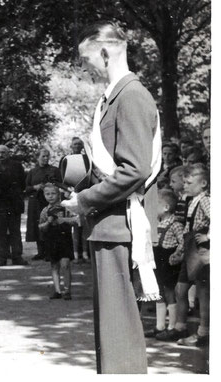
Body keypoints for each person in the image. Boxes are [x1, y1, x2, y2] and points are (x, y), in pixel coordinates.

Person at [62, 22, 161, 374]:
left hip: (119, 226)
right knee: (112, 329)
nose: (85, 70)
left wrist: (85, 199)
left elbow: (133, 169)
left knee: (118, 332)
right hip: (109, 225)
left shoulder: (131, 95)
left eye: (86, 61)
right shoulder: (116, 96)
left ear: (104, 53)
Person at [162, 164, 210, 347]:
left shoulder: (205, 200)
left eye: (189, 183)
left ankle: (203, 333)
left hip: (199, 250)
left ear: (203, 183)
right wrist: (181, 250)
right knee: (180, 289)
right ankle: (180, 327)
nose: (185, 186)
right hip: (189, 247)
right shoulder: (191, 199)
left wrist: (208, 236)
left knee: (203, 292)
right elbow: (187, 227)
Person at [145, 190, 184, 339]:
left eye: (155, 205)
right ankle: (159, 326)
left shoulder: (175, 224)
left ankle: (172, 326)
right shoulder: (157, 222)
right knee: (158, 292)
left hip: (168, 260)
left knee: (169, 292)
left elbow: (182, 243)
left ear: (166, 207)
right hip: (158, 258)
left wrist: (176, 255)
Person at [0, 145, 28, 266]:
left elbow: (23, 184)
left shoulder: (17, 166)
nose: (1, 155)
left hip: (13, 204)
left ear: (8, 153)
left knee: (15, 231)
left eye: (3, 152)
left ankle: (17, 257)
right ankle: (1, 258)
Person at [38, 184, 77, 300]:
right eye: (47, 194)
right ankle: (57, 290)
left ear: (58, 194)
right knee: (54, 265)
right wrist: (48, 223)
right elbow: (40, 226)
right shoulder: (45, 210)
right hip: (51, 239)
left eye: (53, 193)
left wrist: (64, 220)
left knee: (65, 263)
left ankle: (67, 290)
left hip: (64, 238)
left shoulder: (65, 207)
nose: (50, 196)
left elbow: (76, 219)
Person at [25, 148, 61, 260]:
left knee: (51, 225)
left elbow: (61, 184)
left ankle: (51, 252)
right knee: (38, 226)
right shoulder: (32, 172)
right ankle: (41, 252)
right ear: (38, 158)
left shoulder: (54, 170)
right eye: (43, 156)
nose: (45, 158)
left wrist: (51, 185)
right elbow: (26, 188)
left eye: (47, 156)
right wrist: (35, 187)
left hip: (49, 202)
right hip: (36, 203)